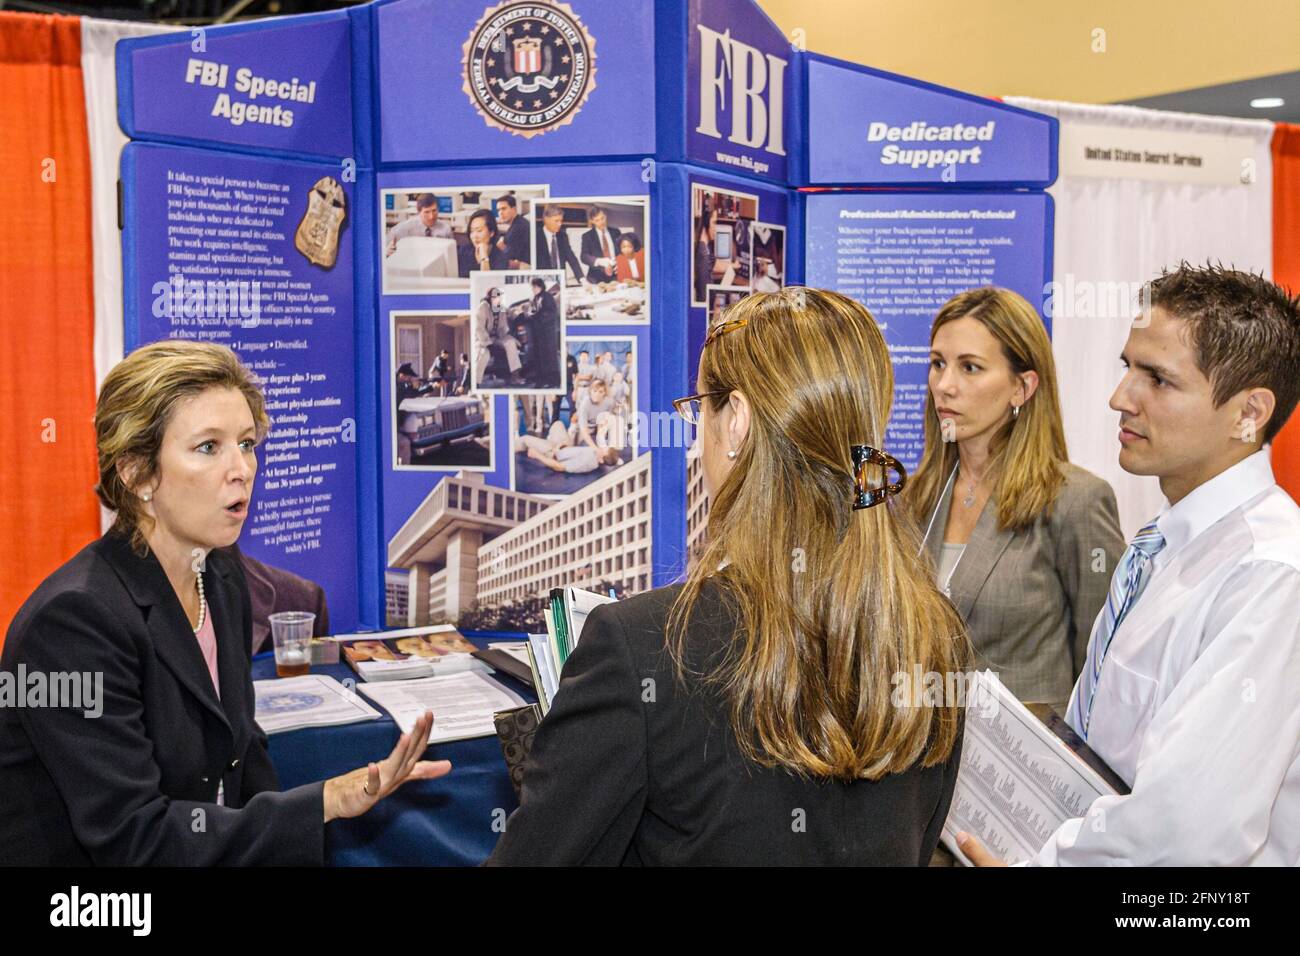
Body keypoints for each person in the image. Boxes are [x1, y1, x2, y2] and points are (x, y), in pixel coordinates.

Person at [488, 288, 969, 865]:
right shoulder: (934, 632)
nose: (696, 438)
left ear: (736, 421)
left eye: (700, 411)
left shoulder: (641, 646)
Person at [0, 341, 448, 865]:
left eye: (247, 443)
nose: (242, 468)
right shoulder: (73, 622)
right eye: (209, 447)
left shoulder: (220, 572)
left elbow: (243, 759)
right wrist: (327, 802)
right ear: (137, 472)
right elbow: (134, 839)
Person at [956, 263, 1300, 867]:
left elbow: (1188, 830)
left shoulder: (1270, 574)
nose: (1120, 399)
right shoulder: (1164, 542)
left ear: (1250, 413)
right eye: (1127, 369)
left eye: (1158, 380)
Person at [907, 287, 1123, 717]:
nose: (944, 386)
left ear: (1022, 387)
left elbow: (1102, 669)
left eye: (970, 367)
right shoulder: (911, 500)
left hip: (1024, 769)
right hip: (918, 767)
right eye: (937, 364)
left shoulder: (1075, 501)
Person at [515, 421, 620, 475]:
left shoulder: (586, 462)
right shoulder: (597, 454)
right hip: (564, 446)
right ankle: (549, 441)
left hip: (553, 453)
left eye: (604, 450)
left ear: (602, 459)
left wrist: (537, 456)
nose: (602, 448)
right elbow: (611, 458)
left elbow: (559, 467)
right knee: (558, 424)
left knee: (525, 439)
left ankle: (510, 448)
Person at [474, 287, 523, 387]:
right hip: (484, 339)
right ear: (490, 298)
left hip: (498, 337)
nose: (499, 299)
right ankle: (476, 383)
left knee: (510, 343)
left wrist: (519, 314)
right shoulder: (483, 307)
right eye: (496, 297)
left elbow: (511, 312)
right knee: (484, 354)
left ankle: (515, 376)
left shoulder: (500, 307)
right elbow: (479, 329)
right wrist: (488, 344)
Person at [385, 193, 451, 257]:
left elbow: (451, 255)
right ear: (418, 212)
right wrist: (386, 250)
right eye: (426, 212)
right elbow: (383, 245)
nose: (431, 216)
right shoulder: (406, 227)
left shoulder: (445, 229)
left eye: (434, 211)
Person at [534, 204, 584, 285]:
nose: (560, 224)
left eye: (561, 221)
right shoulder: (536, 237)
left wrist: (582, 279)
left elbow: (572, 259)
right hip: (544, 283)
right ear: (546, 219)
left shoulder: (563, 236)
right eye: (556, 221)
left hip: (561, 283)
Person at [527, 277, 561, 388]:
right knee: (539, 357)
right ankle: (541, 380)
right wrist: (531, 315)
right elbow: (532, 311)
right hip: (538, 332)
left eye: (535, 286)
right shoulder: (534, 298)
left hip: (547, 331)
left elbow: (551, 313)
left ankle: (553, 381)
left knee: (549, 356)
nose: (533, 289)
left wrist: (537, 316)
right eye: (532, 287)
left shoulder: (547, 296)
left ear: (540, 286)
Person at [457, 208, 509, 278]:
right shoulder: (463, 251)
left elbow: (486, 285)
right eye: (472, 231)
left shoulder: (501, 258)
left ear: (491, 233)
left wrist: (484, 258)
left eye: (479, 231)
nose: (474, 236)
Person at [580, 204, 622, 283]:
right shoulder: (587, 236)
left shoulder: (616, 232)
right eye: (597, 220)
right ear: (592, 221)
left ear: (605, 216)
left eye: (602, 218)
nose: (601, 222)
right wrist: (599, 261)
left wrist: (621, 263)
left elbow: (622, 252)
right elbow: (584, 256)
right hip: (596, 278)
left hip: (616, 276)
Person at [495, 194, 531, 268]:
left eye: (504, 209)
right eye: (498, 210)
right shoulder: (519, 221)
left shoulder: (518, 228)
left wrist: (503, 248)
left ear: (514, 209)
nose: (500, 213)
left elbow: (513, 257)